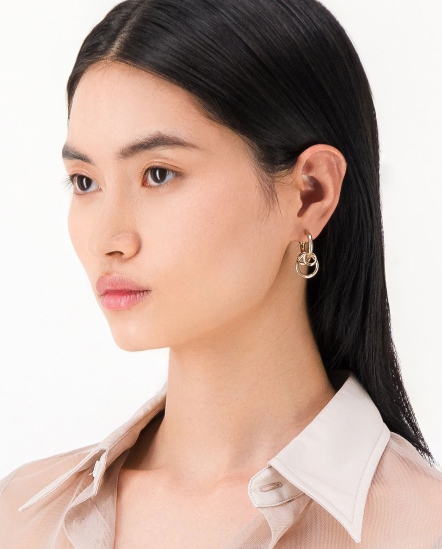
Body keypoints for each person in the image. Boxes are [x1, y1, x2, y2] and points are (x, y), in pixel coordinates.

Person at [1, 0, 441, 547]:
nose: (107, 240)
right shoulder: (21, 517)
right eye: (85, 181)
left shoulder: (419, 529)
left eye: (158, 174)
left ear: (310, 193)